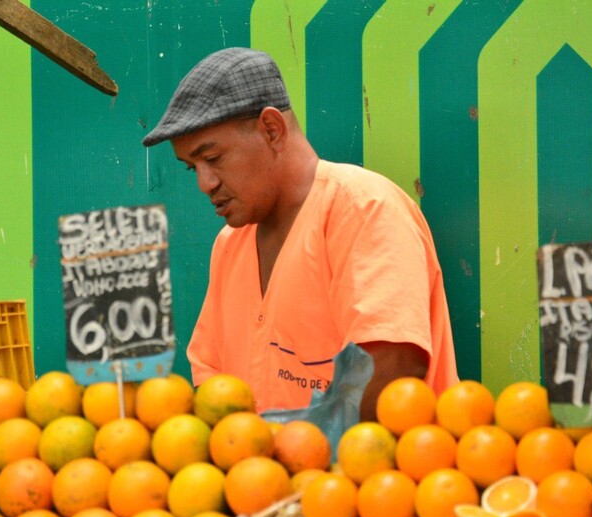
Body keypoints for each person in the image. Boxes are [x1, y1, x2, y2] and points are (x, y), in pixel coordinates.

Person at [142, 47, 458, 421]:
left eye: (212, 159)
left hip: (371, 476)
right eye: (190, 167)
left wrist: (282, 443)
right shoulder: (229, 245)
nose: (204, 183)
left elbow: (390, 370)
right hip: (262, 477)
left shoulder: (364, 207)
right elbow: (214, 387)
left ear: (271, 130)